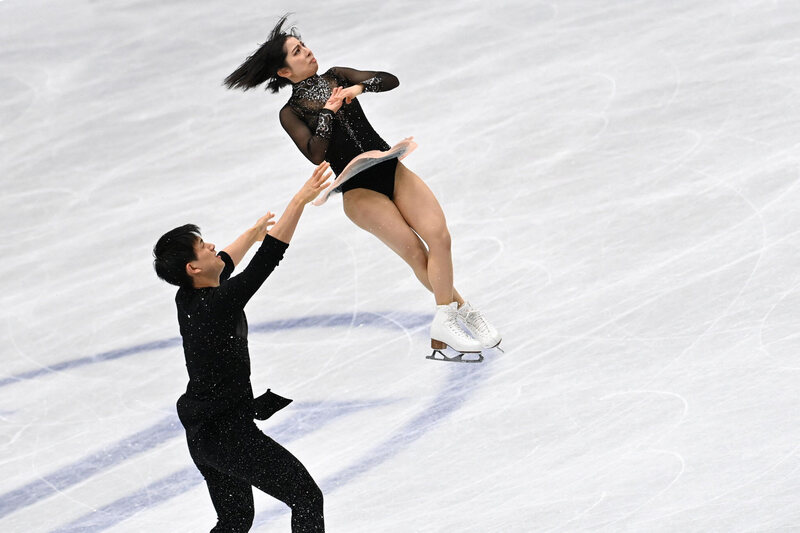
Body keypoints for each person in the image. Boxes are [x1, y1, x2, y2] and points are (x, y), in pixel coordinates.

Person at [223, 16, 501, 361]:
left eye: (303, 45)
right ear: (284, 72)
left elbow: (390, 80)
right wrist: (327, 111)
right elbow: (316, 153)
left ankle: (450, 313)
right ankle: (458, 311)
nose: (307, 52)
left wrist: (359, 88)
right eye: (297, 52)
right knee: (416, 252)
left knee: (440, 238)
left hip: (390, 169)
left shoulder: (338, 75)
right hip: (357, 190)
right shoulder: (291, 112)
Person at [152, 162, 331, 532]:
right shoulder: (217, 305)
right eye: (204, 247)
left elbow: (226, 263)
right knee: (306, 497)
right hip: (231, 437)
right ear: (193, 268)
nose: (213, 245)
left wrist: (250, 234)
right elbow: (267, 260)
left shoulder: (190, 298)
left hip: (205, 438)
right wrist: (299, 200)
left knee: (234, 519)